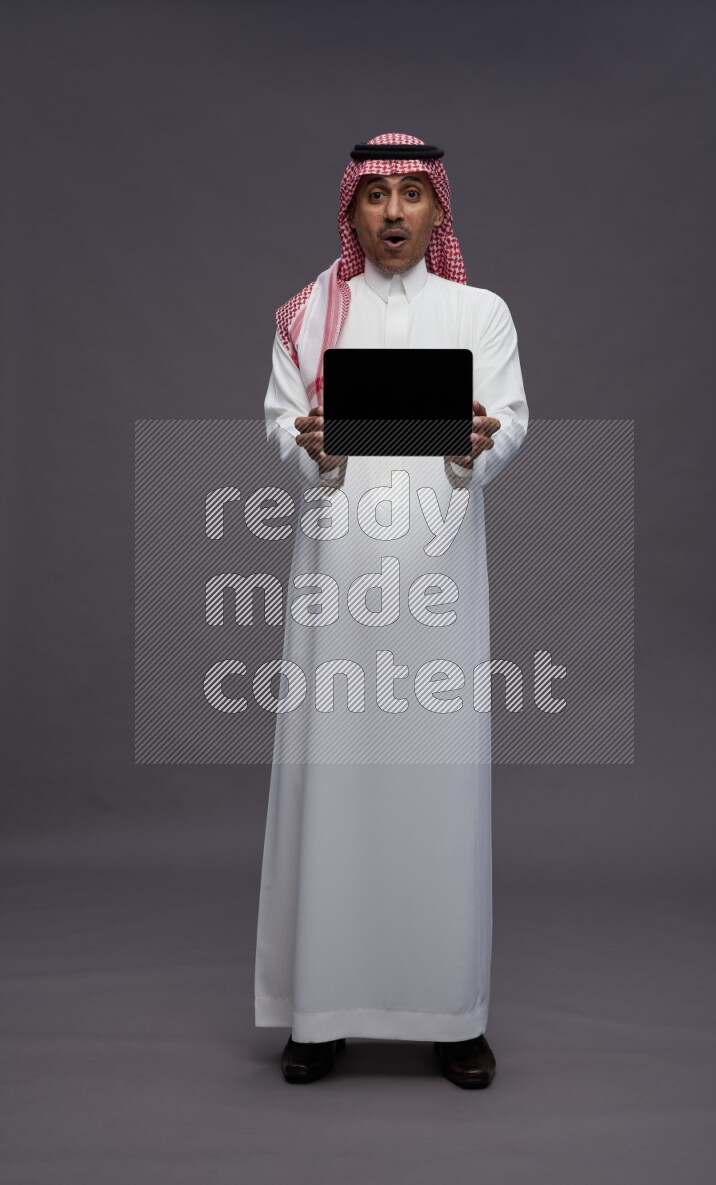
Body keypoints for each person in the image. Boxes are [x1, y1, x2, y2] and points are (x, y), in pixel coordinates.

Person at [254, 132, 529, 1088]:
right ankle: (319, 1011)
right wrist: (316, 449)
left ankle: (452, 1014)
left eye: (414, 195)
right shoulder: (307, 314)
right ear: (353, 212)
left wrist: (477, 443)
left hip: (441, 580)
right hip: (338, 581)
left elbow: (506, 420)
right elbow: (283, 421)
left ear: (440, 212)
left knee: (438, 788)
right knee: (333, 782)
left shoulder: (478, 311)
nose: (397, 214)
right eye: (378, 197)